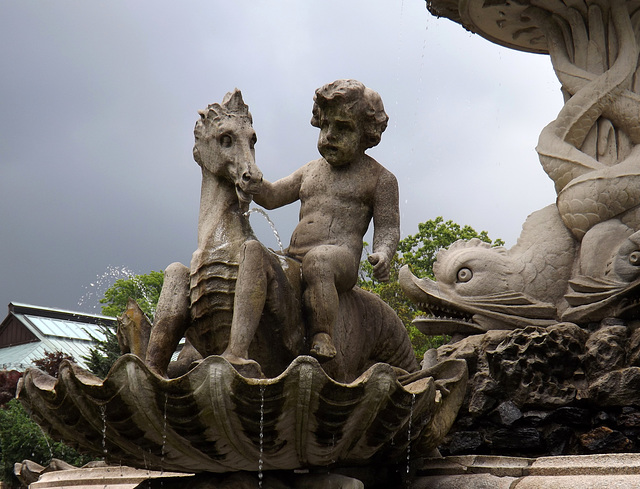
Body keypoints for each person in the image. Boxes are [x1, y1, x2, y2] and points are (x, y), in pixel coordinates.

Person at [222, 79, 400, 365]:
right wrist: (255, 184)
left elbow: (388, 227)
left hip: (339, 260)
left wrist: (383, 253)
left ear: (368, 133)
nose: (330, 136)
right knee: (254, 252)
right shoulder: (311, 171)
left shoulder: (380, 179)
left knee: (319, 261)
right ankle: (236, 349)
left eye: (342, 128)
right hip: (294, 258)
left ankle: (321, 334)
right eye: (325, 126)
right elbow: (273, 196)